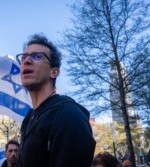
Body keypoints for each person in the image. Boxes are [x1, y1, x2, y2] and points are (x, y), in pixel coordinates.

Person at [16, 33, 96, 167]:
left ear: (54, 72)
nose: (26, 61)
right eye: (24, 57)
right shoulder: (29, 118)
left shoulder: (69, 114)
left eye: (37, 56)